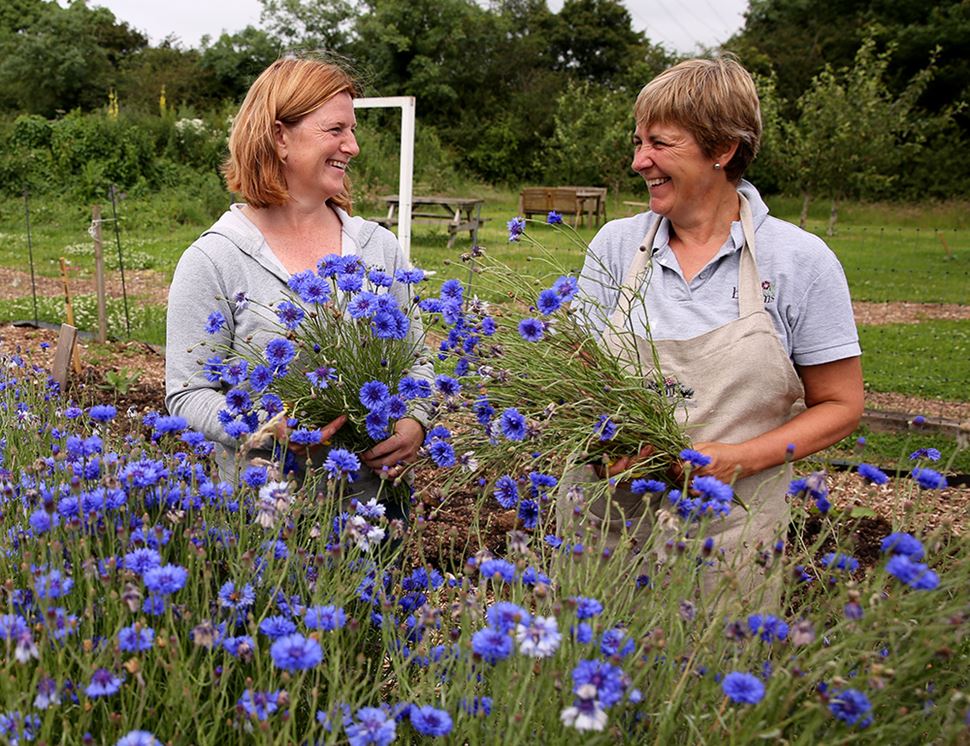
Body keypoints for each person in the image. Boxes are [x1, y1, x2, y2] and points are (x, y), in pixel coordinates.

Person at [568, 56, 864, 601]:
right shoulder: (616, 245)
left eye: (660, 143)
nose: (639, 161)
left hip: (728, 541)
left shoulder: (799, 261)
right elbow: (578, 370)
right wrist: (602, 443)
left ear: (722, 150)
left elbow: (841, 404)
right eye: (638, 142)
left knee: (709, 681)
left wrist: (740, 459)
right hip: (606, 524)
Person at [165, 57, 433, 500]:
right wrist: (264, 426)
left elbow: (416, 359)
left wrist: (415, 420)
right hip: (265, 526)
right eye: (335, 130)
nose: (353, 147)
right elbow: (188, 392)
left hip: (376, 515)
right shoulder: (215, 258)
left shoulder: (377, 248)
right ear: (278, 137)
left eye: (352, 131)